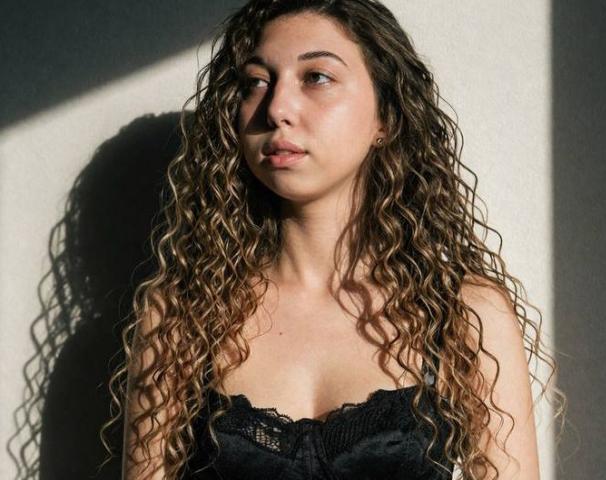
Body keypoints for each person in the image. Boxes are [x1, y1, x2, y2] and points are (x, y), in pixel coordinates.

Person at [99, 1, 566, 479]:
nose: (277, 108)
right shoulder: (182, 314)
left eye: (316, 77)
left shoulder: (463, 315)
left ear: (386, 116)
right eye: (256, 82)